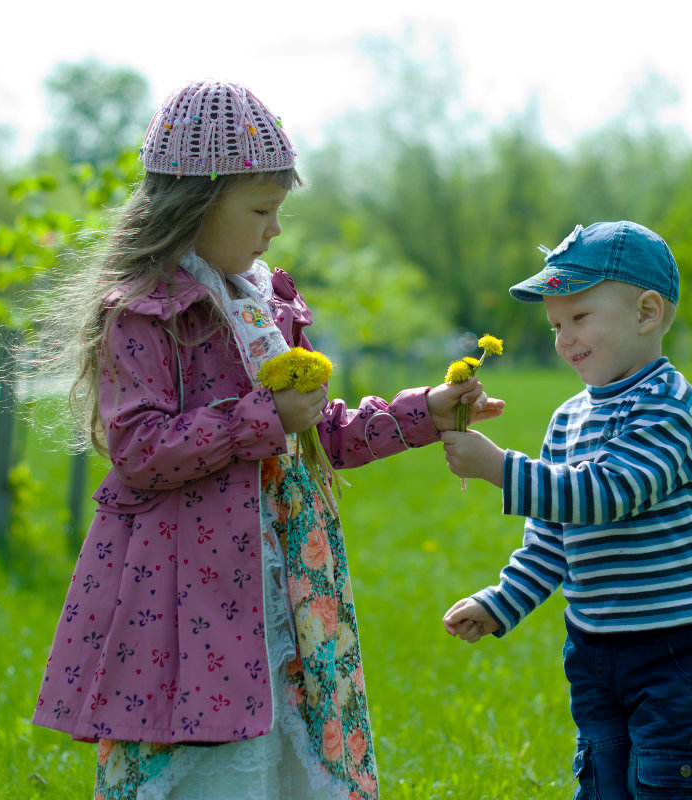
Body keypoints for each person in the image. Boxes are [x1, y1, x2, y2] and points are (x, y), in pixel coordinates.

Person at [30, 80, 503, 800]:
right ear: (191, 206)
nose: (274, 230)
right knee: (216, 763)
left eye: (277, 210)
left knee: (286, 746)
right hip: (189, 594)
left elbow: (319, 431)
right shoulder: (145, 313)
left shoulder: (262, 303)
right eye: (259, 211)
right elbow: (140, 449)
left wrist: (426, 412)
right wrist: (264, 418)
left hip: (283, 583)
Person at [439, 221, 692, 799]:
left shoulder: (672, 408)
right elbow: (551, 540)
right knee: (600, 779)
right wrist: (502, 602)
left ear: (646, 313)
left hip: (672, 641)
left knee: (663, 782)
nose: (564, 339)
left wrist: (501, 469)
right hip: (594, 643)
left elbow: (607, 493)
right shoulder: (569, 418)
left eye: (579, 318)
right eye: (555, 325)